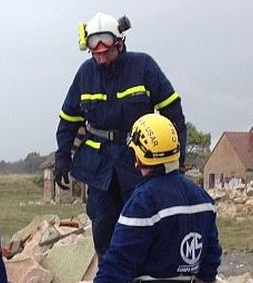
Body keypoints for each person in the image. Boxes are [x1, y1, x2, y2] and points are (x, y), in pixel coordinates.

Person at [64, 114, 222, 283]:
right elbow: (211, 260)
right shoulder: (202, 199)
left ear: (140, 155)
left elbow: (116, 265)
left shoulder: (143, 201)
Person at [54, 11, 187, 258]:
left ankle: (144, 280)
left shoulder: (143, 66)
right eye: (97, 54)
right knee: (103, 224)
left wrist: (177, 160)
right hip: (99, 165)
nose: (102, 59)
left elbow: (173, 113)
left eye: (107, 53)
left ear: (120, 43)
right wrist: (62, 157)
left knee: (142, 220)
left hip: (138, 162)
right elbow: (68, 119)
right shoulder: (86, 73)